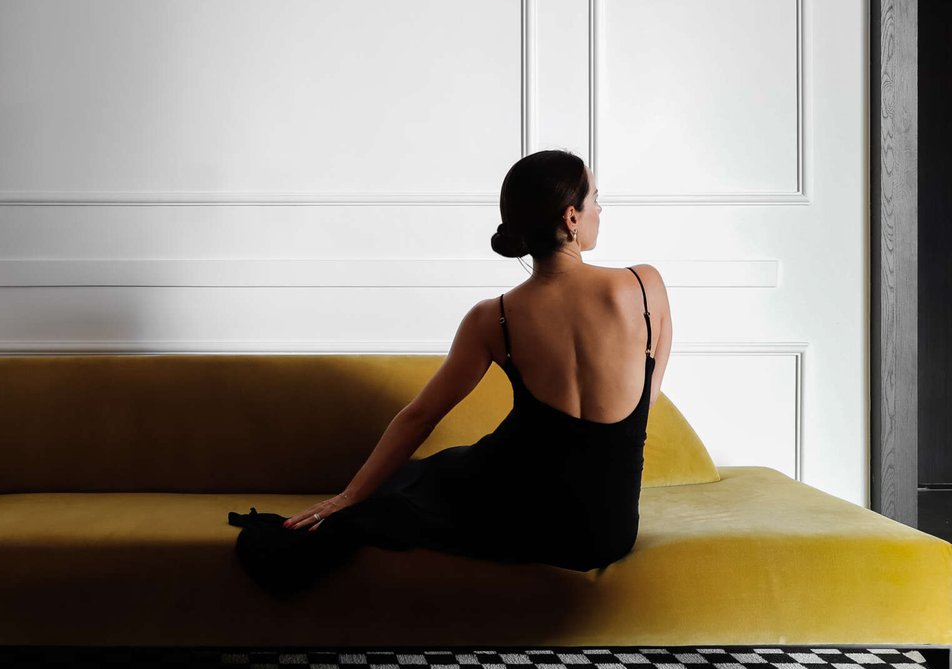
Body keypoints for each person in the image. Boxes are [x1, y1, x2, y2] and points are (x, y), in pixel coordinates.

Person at [228, 150, 671, 598]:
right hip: (609, 532)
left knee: (417, 481)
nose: (601, 210)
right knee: (432, 473)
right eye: (595, 199)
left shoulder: (495, 317)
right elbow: (646, 400)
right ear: (571, 217)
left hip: (529, 521)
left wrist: (349, 497)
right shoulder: (644, 285)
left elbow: (420, 416)